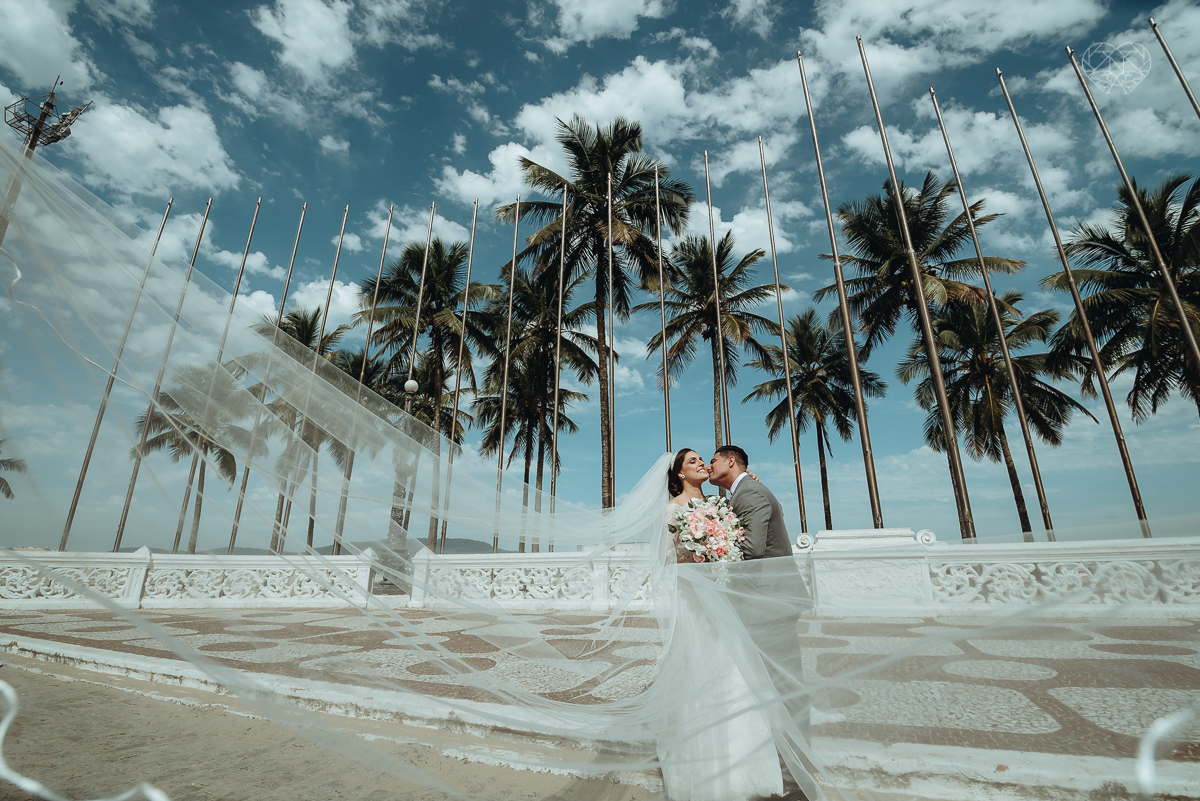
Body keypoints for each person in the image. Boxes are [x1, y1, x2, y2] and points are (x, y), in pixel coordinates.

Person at [654, 448, 786, 801]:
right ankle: (704, 771)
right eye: (694, 462)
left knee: (736, 677)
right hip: (697, 604)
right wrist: (700, 555)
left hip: (724, 604)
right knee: (700, 677)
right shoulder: (673, 510)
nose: (703, 464)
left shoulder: (720, 503)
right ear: (680, 474)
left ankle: (746, 768)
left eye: (704, 460)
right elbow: (668, 561)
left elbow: (740, 537)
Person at [708, 445, 814, 798]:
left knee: (784, 689)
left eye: (713, 460)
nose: (709, 466)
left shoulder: (750, 493)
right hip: (761, 604)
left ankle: (795, 778)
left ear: (731, 461)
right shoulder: (745, 492)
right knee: (768, 687)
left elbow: (751, 551)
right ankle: (777, 766)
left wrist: (708, 547)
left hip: (768, 605)